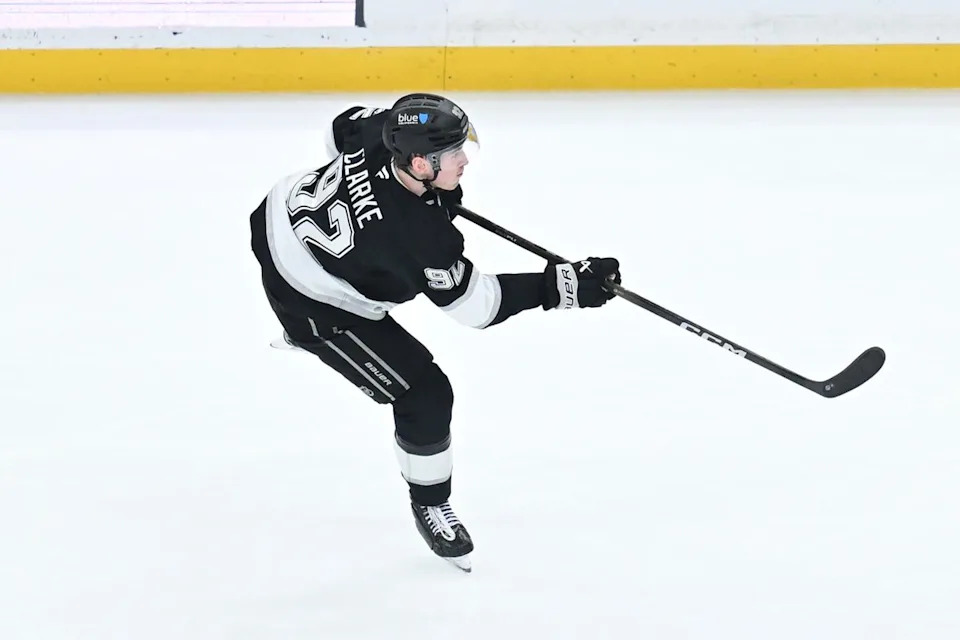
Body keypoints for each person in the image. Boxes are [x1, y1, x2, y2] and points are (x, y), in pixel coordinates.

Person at [249, 93, 621, 572]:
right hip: (309, 297)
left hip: (274, 213)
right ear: (421, 164)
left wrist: (416, 194)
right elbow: (477, 308)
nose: (465, 159)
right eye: (453, 155)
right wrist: (562, 284)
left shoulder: (387, 130)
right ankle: (429, 501)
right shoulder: (420, 237)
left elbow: (339, 130)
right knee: (425, 395)